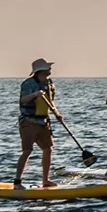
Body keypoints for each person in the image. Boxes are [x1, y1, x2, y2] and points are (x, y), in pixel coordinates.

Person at [14, 59, 63, 188]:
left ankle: (45, 181)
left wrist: (57, 113)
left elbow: (50, 102)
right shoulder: (28, 83)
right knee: (27, 151)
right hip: (29, 122)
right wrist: (35, 94)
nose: (50, 69)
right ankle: (17, 182)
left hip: (43, 121)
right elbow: (23, 100)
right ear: (40, 70)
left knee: (48, 149)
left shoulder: (49, 83)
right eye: (48, 67)